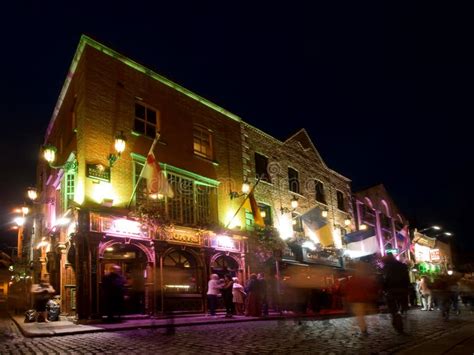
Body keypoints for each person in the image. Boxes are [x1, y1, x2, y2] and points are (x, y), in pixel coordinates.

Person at [345, 262, 379, 336]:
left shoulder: (352, 280)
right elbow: (372, 287)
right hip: (365, 298)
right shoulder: (365, 279)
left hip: (357, 300)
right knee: (370, 312)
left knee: (360, 315)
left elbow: (347, 289)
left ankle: (364, 329)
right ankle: (374, 325)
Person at [381, 253, 410, 333]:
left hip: (391, 290)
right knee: (401, 306)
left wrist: (383, 289)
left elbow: (384, 280)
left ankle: (396, 318)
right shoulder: (402, 266)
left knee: (393, 308)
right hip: (402, 289)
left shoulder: (386, 267)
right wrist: (407, 288)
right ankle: (400, 314)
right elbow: (407, 279)